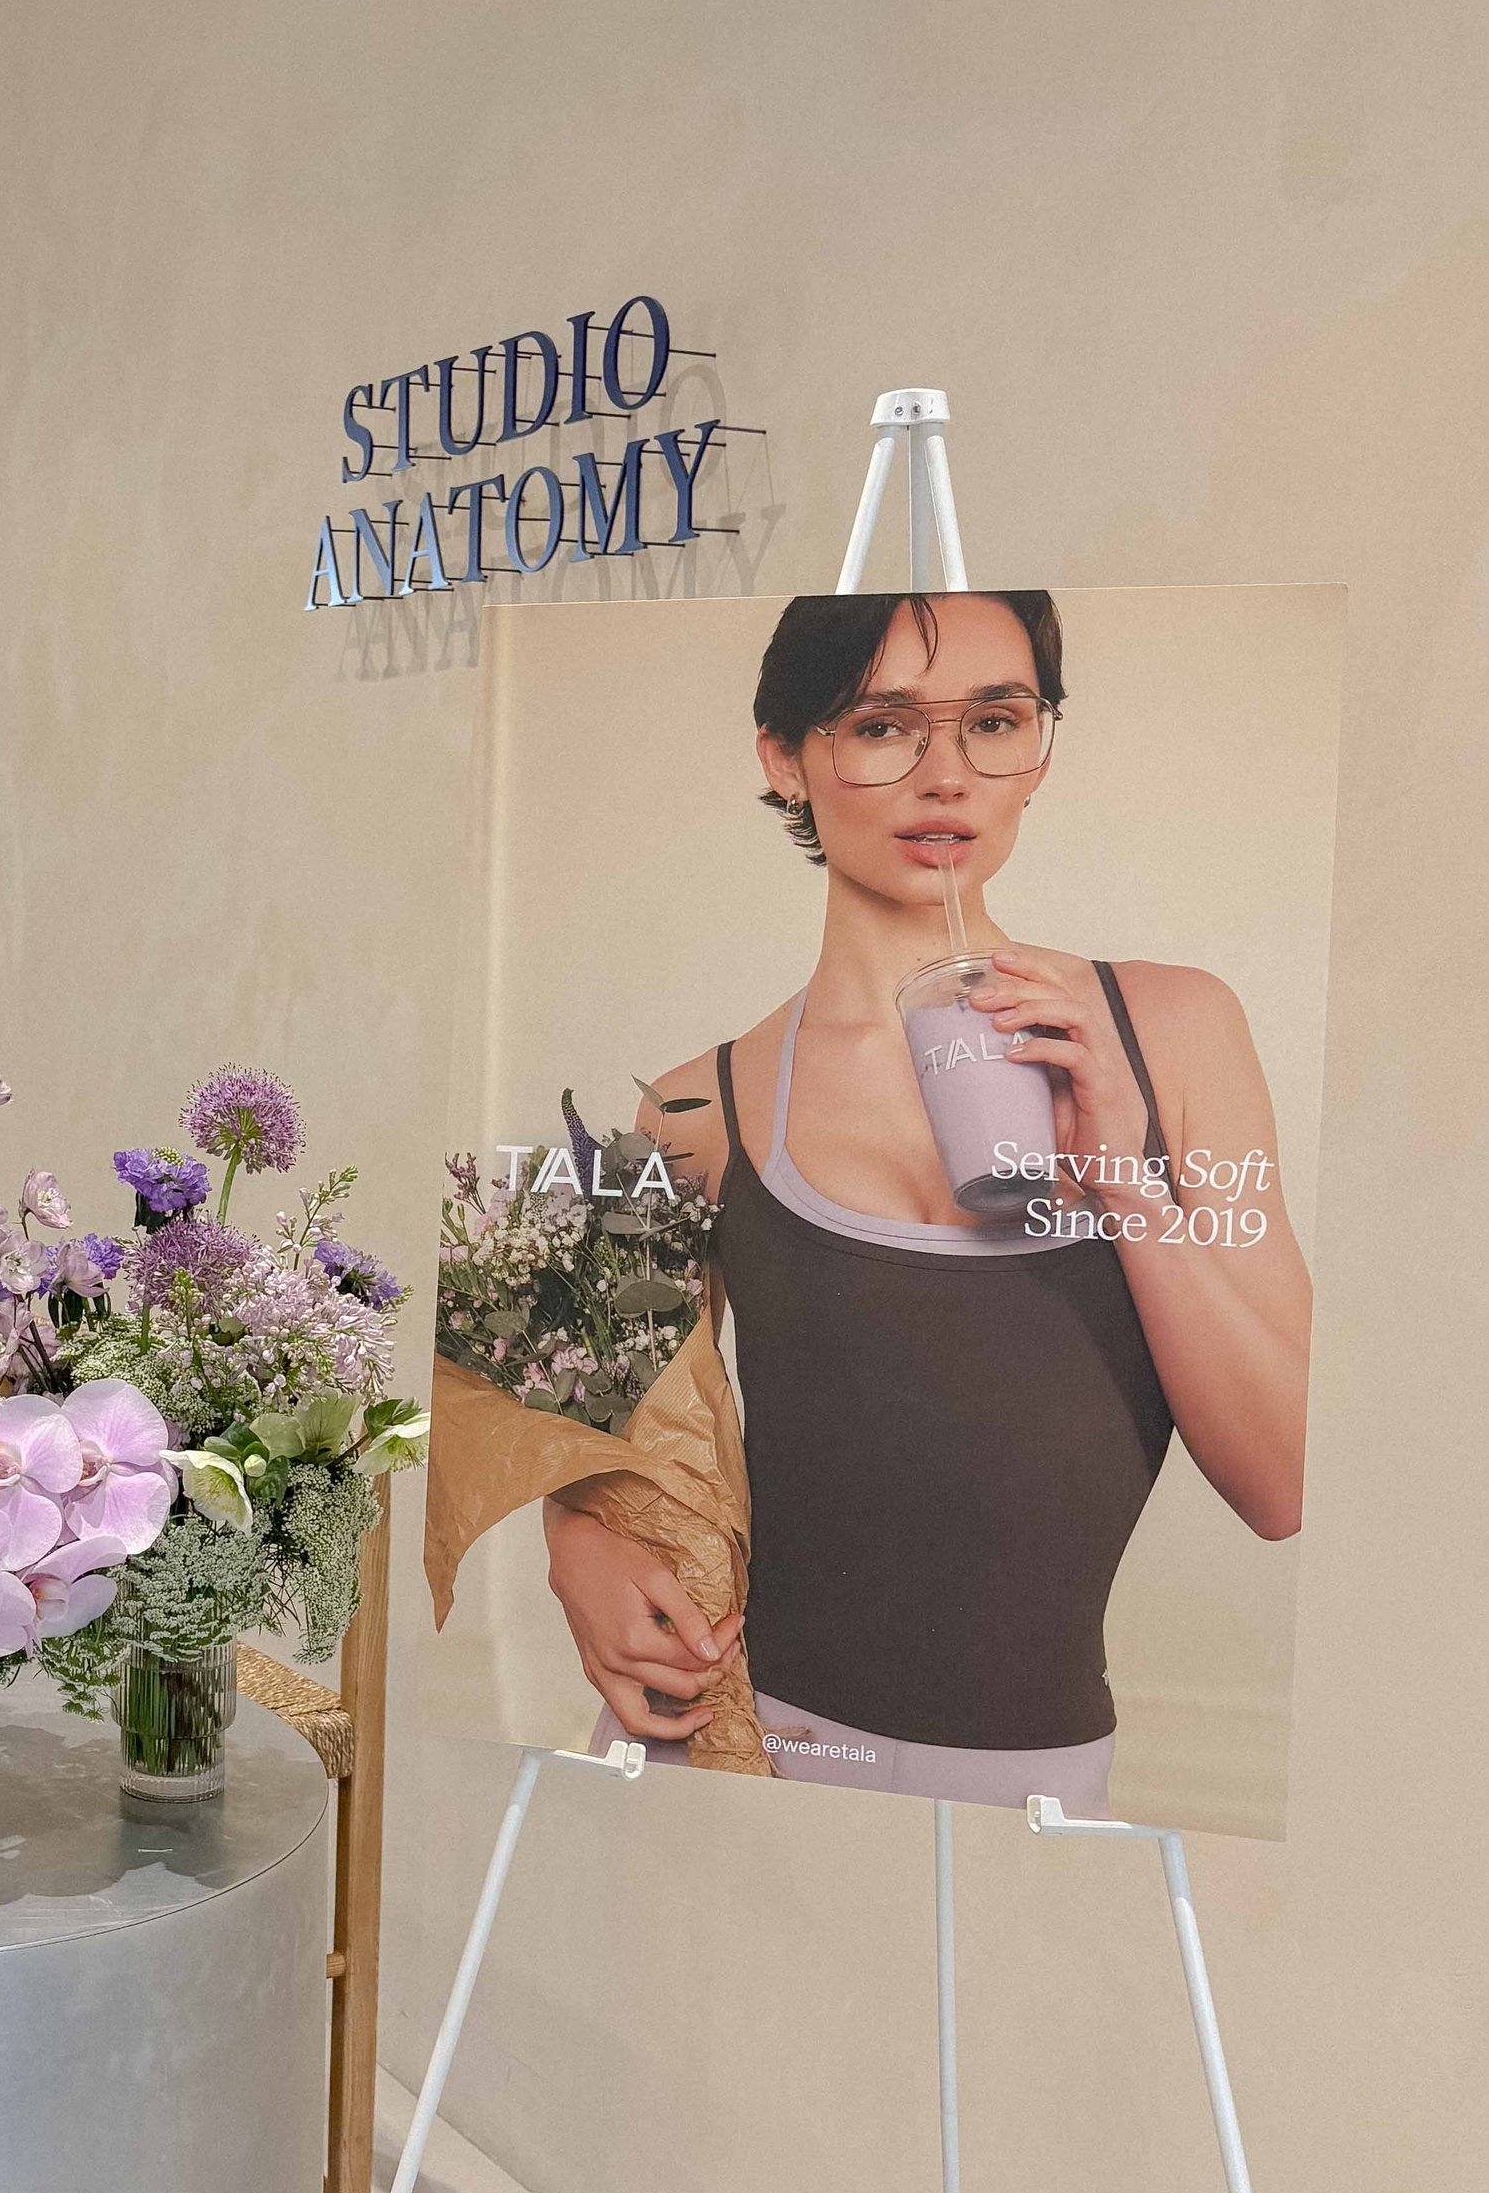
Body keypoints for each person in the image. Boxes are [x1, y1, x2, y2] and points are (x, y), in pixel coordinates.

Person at [542, 590, 1312, 1815]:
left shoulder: (1173, 1032)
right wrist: (570, 1545)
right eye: (881, 724)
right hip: (733, 1747)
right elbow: (571, 1428)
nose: (944, 775)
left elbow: (1284, 1483)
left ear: (1036, 754)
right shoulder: (689, 1109)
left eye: (994, 721)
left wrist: (1119, 1166)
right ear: (785, 760)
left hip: (1031, 1784)